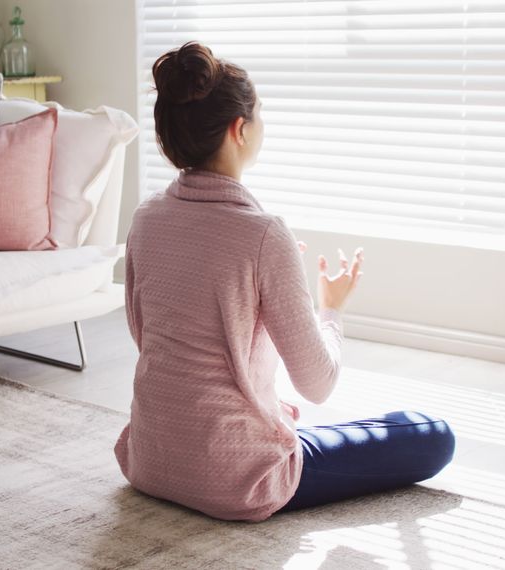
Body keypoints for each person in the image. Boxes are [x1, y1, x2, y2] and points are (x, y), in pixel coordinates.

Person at [113, 41, 455, 522]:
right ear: (239, 130)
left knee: (301, 415)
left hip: (149, 462)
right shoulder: (263, 233)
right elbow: (318, 383)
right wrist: (329, 308)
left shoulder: (145, 219)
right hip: (237, 479)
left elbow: (149, 337)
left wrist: (260, 288)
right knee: (431, 433)